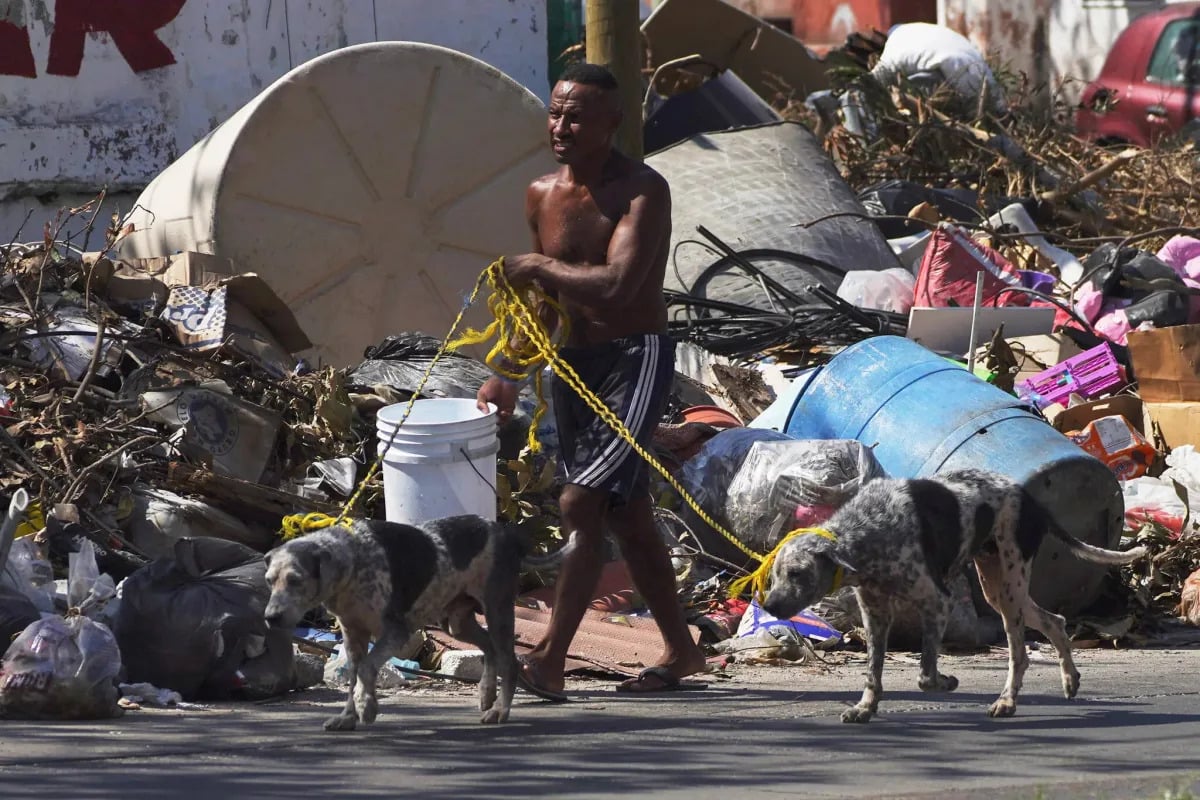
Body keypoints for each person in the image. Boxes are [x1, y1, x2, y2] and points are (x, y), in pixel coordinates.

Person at [475, 62, 706, 697]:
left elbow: (618, 284)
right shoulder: (540, 193)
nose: (561, 126)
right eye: (555, 112)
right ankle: (682, 652)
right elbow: (543, 302)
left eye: (577, 116)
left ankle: (548, 659)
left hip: (635, 360)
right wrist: (507, 372)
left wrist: (536, 265)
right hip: (574, 365)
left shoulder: (642, 191)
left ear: (611, 123)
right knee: (626, 514)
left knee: (580, 502)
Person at [871, 22, 1008, 116]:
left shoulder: (893, 50)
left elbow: (872, 82)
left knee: (902, 90)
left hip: (959, 89)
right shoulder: (913, 30)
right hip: (986, 87)